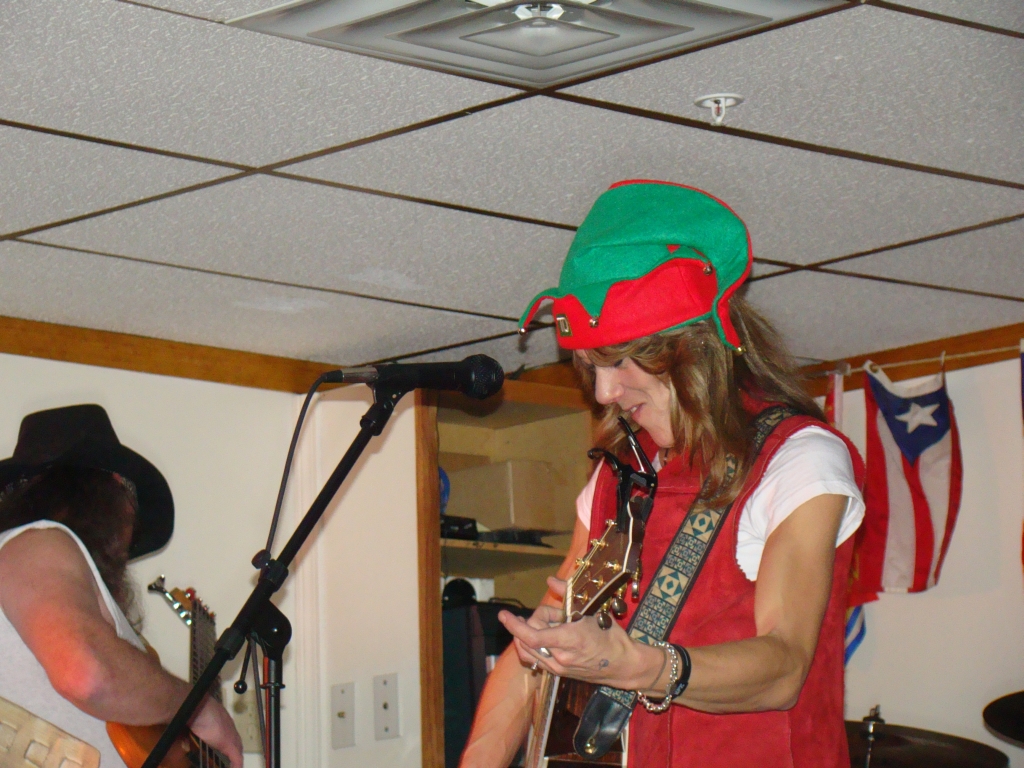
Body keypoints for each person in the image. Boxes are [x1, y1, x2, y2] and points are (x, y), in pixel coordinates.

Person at [459, 180, 865, 768]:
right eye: (590, 367)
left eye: (619, 361)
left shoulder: (797, 459)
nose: (605, 391)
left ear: (692, 349)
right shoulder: (616, 477)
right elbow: (538, 650)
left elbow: (784, 667)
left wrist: (639, 666)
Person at [0, 404, 243, 767]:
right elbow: (85, 674)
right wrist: (197, 709)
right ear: (112, 490)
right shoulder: (39, 541)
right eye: (130, 496)